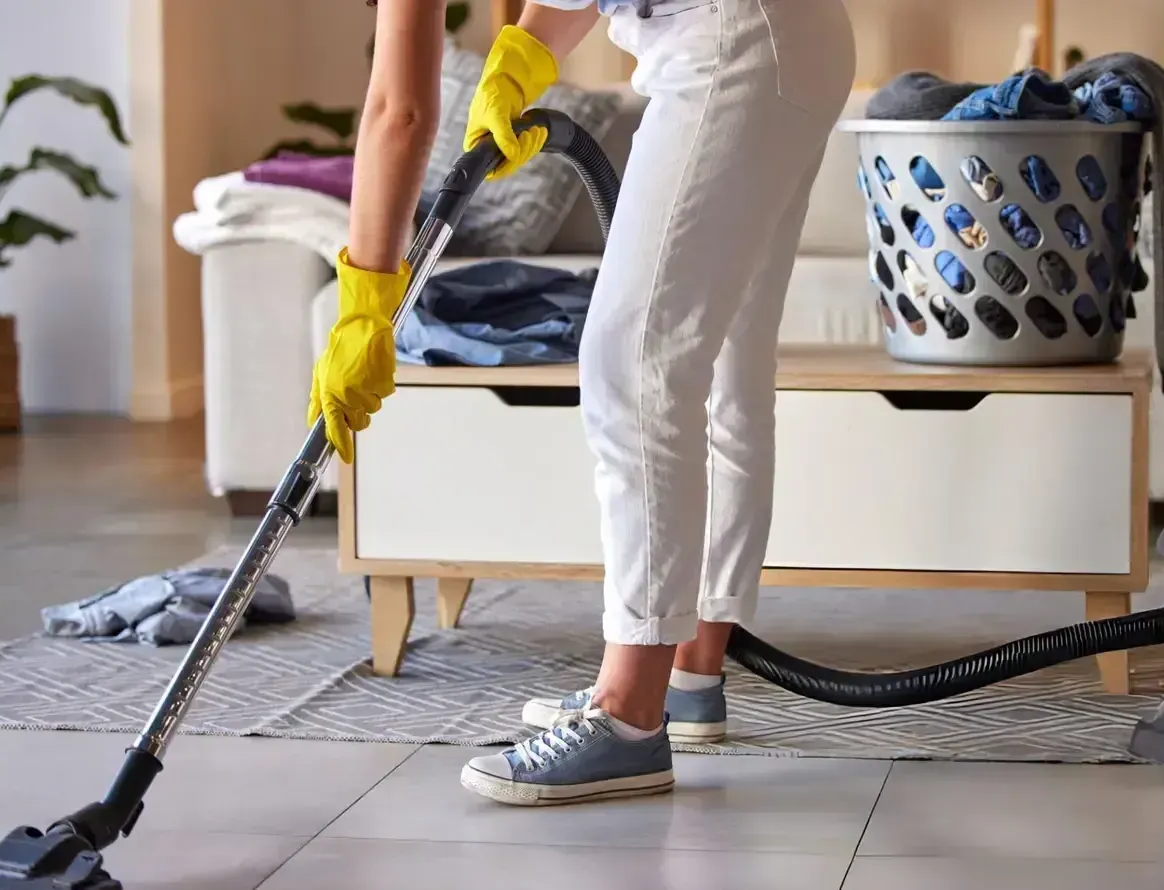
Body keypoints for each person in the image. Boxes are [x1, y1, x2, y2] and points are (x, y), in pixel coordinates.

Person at [310, 0, 855, 806]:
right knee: (722, 363)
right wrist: (523, 53)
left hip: (733, 37)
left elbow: (402, 106)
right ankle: (685, 679)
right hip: (794, 36)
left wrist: (364, 300)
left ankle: (628, 717)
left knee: (633, 360)